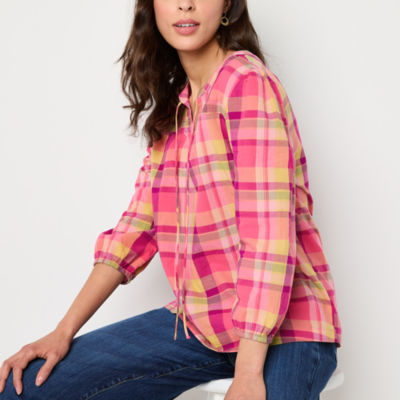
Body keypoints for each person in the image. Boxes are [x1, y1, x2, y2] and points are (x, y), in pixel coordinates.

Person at [0, 1, 342, 399]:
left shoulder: (245, 82)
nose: (185, 4)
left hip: (287, 331)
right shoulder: (175, 112)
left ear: (227, 4)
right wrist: (62, 332)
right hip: (205, 324)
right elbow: (135, 231)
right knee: (26, 388)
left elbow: (268, 238)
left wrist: (249, 372)